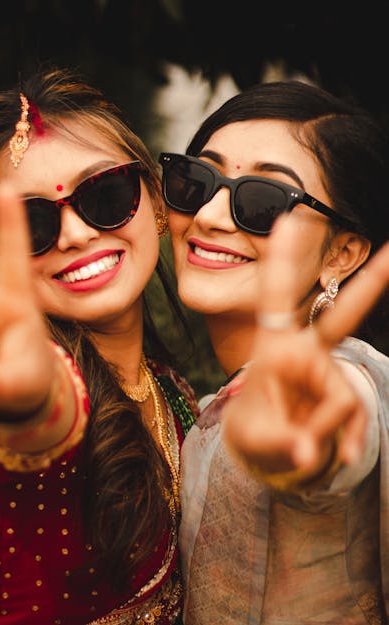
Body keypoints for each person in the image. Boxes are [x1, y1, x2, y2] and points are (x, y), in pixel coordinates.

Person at [0, 66, 199, 625]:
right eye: (31, 222)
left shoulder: (169, 389)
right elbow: (36, 416)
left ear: (154, 200)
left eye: (106, 194)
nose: (76, 234)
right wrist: (25, 395)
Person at [159, 80, 389, 624]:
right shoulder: (199, 399)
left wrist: (307, 436)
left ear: (343, 254)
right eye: (196, 181)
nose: (211, 217)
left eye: (262, 200)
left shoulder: (341, 379)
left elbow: (336, 437)